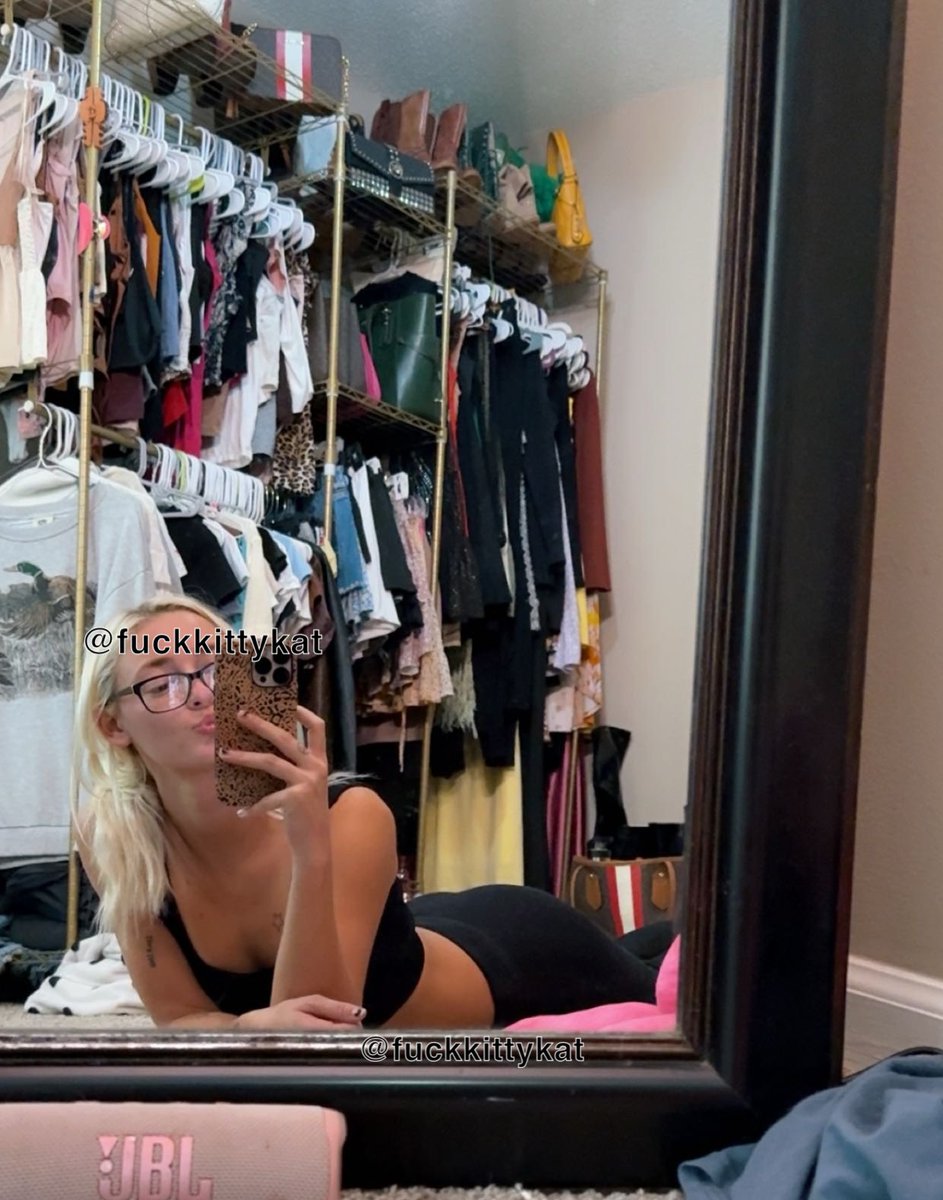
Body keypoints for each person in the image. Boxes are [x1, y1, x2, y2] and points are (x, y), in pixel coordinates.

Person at [73, 595, 670, 1031]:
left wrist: (311, 848)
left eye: (214, 669)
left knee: (679, 995)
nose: (203, 694)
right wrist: (251, 1026)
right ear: (112, 725)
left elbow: (317, 1039)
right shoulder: (113, 837)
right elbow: (180, 1019)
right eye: (162, 683)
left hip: (522, 957)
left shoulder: (349, 814)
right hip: (421, 928)